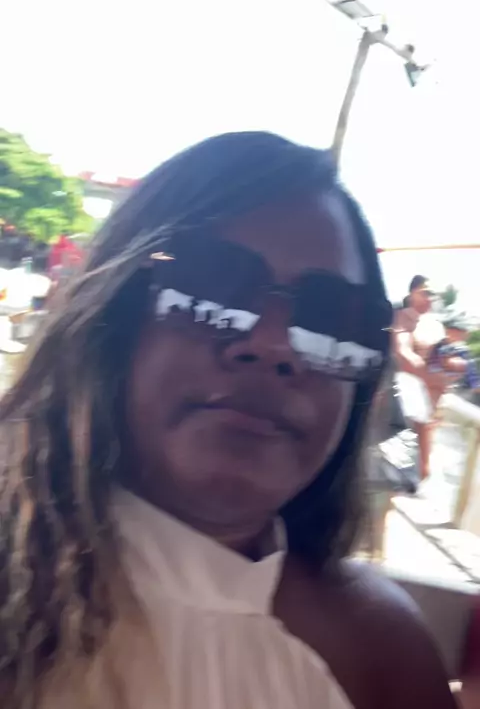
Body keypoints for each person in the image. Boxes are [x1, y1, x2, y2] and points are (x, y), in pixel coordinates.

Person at [0, 133, 455, 709]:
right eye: (210, 287)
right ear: (109, 313)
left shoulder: (382, 649)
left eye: (331, 320)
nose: (273, 344)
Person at [394, 276, 454, 479]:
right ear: (412, 293)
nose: (430, 298)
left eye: (432, 294)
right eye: (425, 293)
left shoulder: (435, 326)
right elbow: (403, 354)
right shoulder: (402, 318)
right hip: (404, 401)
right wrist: (431, 378)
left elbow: (446, 360)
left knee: (423, 469)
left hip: (430, 407)